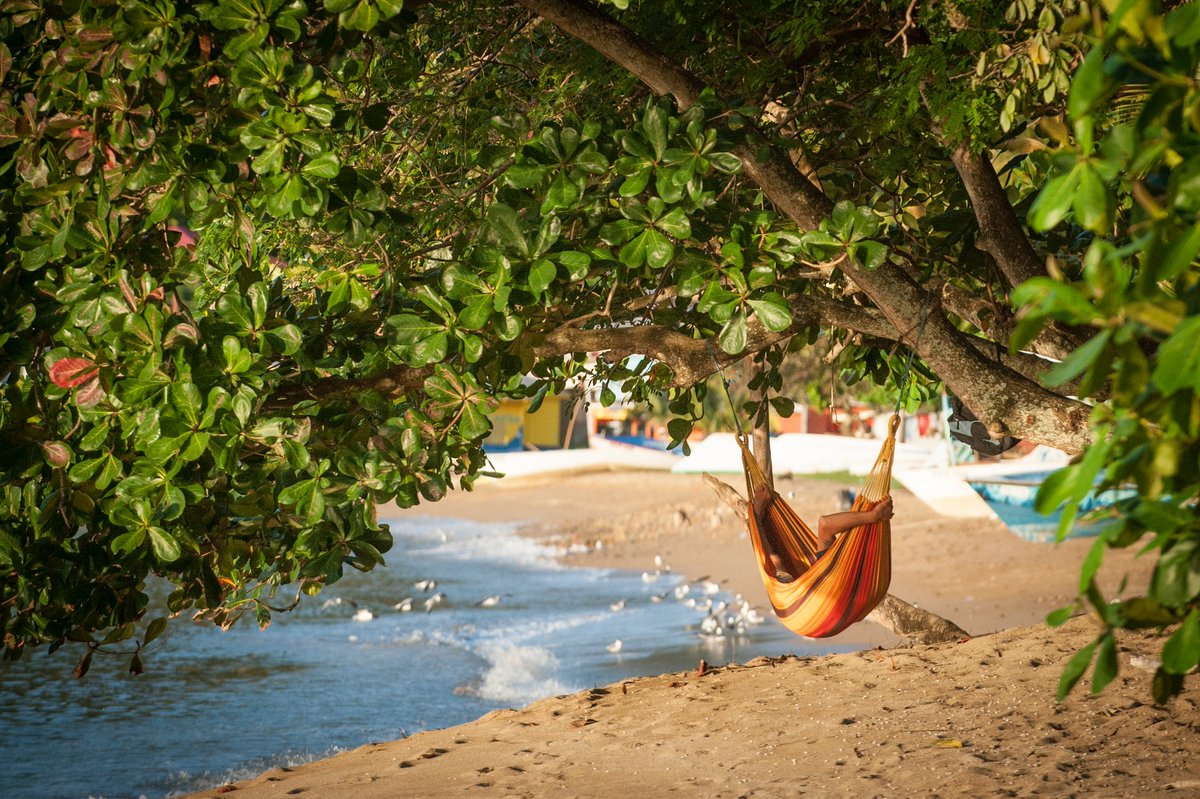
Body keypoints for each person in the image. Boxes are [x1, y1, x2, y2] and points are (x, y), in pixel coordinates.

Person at [751, 484, 894, 582]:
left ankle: (873, 516)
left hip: (823, 579)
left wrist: (756, 516)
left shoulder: (795, 585)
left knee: (824, 526)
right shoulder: (793, 589)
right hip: (826, 583)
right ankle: (873, 516)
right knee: (776, 562)